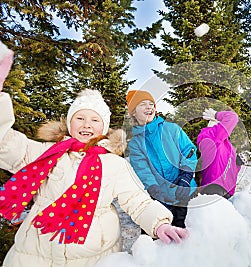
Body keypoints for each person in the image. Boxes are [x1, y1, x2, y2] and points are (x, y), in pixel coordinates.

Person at [0, 44, 188, 267]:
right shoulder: (45, 153)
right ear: (69, 123)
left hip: (94, 257)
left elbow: (137, 201)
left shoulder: (113, 164)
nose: (87, 125)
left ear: (104, 127)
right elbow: (6, 144)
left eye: (95, 120)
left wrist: (160, 224)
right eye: (80, 118)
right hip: (32, 255)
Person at [126, 90, 197, 228]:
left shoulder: (171, 129)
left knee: (186, 235)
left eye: (151, 104)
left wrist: (186, 176)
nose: (149, 107)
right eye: (142, 104)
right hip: (160, 200)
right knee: (161, 240)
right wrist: (154, 189)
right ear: (133, 112)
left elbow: (189, 151)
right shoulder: (136, 144)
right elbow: (142, 170)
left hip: (185, 193)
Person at [197, 108, 247, 199]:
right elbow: (233, 117)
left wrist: (237, 164)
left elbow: (228, 169)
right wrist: (216, 114)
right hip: (214, 188)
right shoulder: (210, 136)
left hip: (227, 191)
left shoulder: (226, 144)